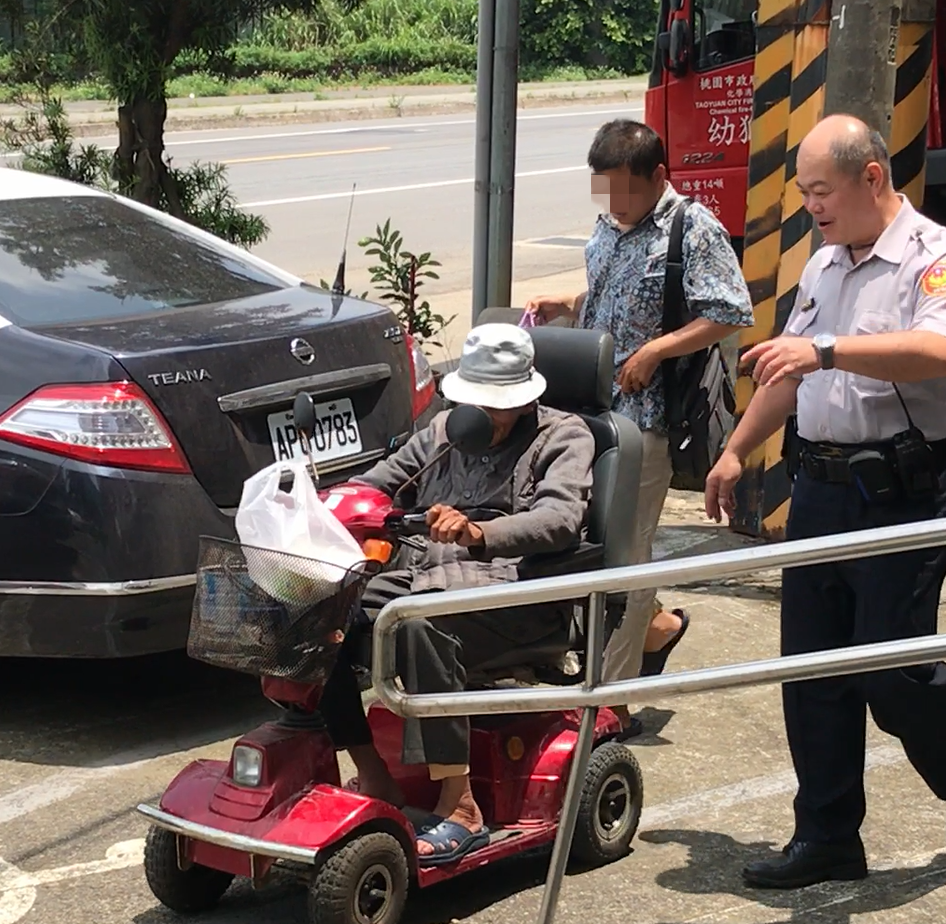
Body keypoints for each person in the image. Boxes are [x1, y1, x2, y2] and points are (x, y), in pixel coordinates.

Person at [703, 114, 946, 889]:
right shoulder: (825, 264)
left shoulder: (932, 257)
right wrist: (736, 450)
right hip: (822, 492)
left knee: (889, 668)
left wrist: (827, 348)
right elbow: (787, 374)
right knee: (811, 671)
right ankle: (827, 835)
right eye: (803, 193)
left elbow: (940, 351)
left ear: (871, 178)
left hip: (900, 492)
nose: (811, 207)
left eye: (821, 191)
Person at [318, 323, 596, 866]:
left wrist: (478, 533)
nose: (482, 414)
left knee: (419, 622)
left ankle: (462, 805)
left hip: (518, 594)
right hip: (426, 579)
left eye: (495, 404)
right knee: (324, 616)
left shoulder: (565, 435)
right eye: (474, 401)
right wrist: (329, 500)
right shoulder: (445, 431)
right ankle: (374, 774)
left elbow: (561, 518)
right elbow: (377, 483)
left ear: (525, 397)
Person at [524, 118, 753, 727]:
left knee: (627, 556)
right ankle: (655, 630)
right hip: (587, 411)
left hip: (646, 422)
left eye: (625, 191)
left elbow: (730, 311)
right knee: (586, 542)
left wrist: (656, 351)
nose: (613, 205)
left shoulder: (691, 228)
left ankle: (610, 704)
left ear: (658, 177)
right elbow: (615, 290)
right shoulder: (609, 225)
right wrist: (568, 304)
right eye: (603, 191)